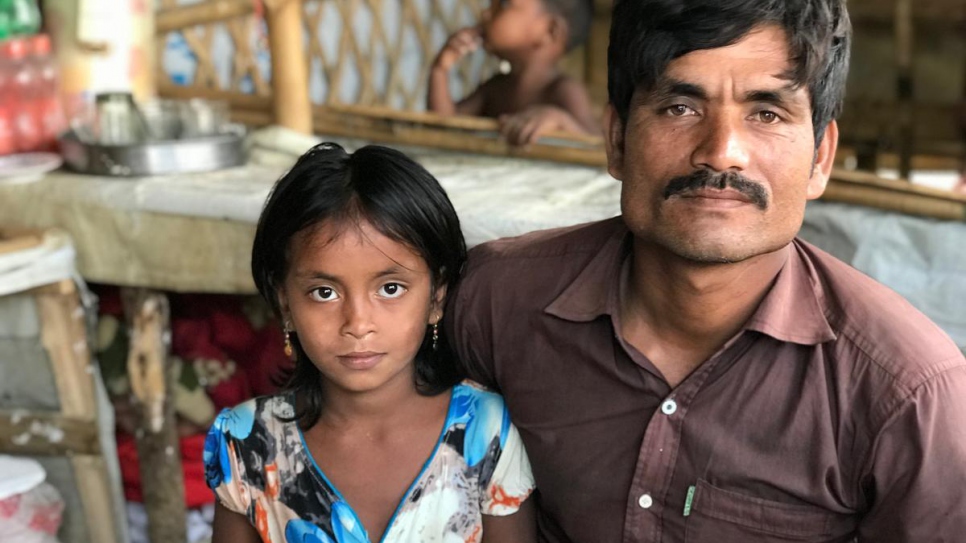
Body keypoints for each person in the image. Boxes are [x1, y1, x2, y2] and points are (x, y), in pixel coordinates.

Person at [445, 0, 966, 541]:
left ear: (820, 159)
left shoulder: (907, 393)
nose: (721, 153)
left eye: (766, 113)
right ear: (617, 139)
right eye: (680, 107)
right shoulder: (493, 301)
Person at [205, 143, 537, 543]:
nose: (358, 324)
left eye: (391, 288)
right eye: (324, 292)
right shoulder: (246, 443)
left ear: (436, 298)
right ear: (285, 303)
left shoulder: (486, 433)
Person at [427, 0, 597, 146]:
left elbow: (597, 147)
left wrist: (561, 121)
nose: (486, 13)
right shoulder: (496, 87)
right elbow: (445, 127)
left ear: (550, 31)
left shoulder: (563, 89)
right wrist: (440, 70)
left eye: (504, 4)